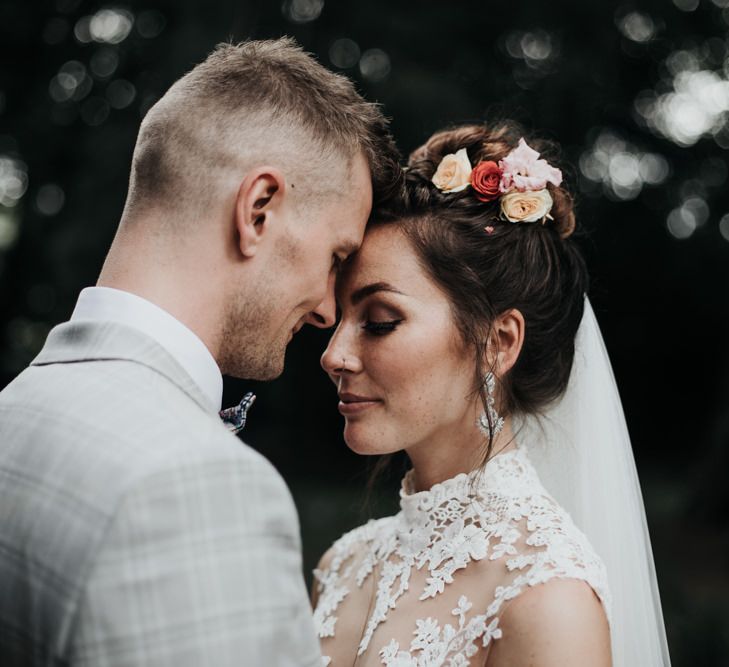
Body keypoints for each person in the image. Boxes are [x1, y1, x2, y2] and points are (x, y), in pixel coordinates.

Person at [0, 38, 400, 666]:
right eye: (336, 259)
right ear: (259, 209)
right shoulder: (196, 485)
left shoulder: (15, 408)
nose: (328, 309)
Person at [314, 122, 671, 665]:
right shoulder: (342, 564)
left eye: (381, 321)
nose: (333, 355)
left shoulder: (546, 596)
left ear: (497, 343)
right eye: (341, 318)